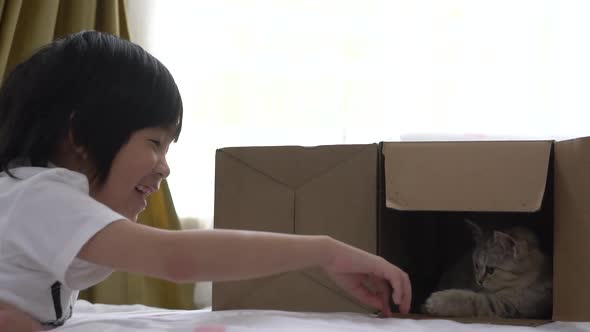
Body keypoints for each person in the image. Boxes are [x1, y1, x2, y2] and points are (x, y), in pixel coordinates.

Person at [0, 31, 411, 331]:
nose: (164, 167)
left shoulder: (35, 200)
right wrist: (325, 251)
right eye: (155, 143)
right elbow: (177, 259)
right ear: (80, 137)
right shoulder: (38, 194)